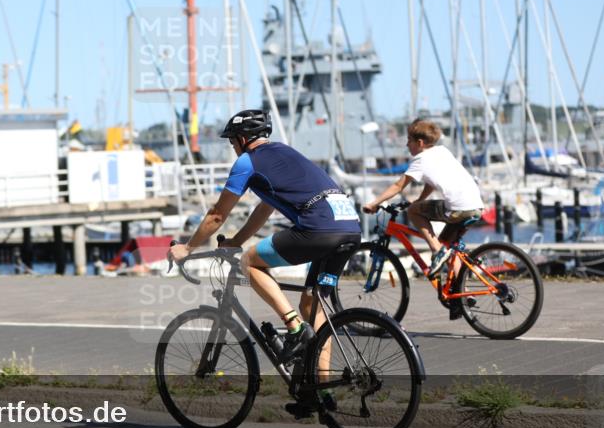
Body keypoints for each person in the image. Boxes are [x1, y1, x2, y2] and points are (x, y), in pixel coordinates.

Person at [169, 109, 361, 370]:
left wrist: (188, 248)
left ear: (243, 139)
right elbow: (265, 208)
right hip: (349, 227)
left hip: (319, 228)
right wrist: (236, 239)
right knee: (311, 304)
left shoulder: (248, 161)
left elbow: (216, 215)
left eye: (232, 141)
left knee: (249, 261)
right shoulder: (285, 152)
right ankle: (322, 389)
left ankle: (293, 329)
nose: (233, 147)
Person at [363, 119, 484, 279]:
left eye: (409, 141)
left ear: (419, 143)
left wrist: (373, 203)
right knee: (447, 246)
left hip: (458, 209)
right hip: (476, 207)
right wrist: (420, 200)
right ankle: (462, 292)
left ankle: (436, 250)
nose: (407, 145)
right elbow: (431, 182)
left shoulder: (420, 160)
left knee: (413, 211)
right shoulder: (442, 151)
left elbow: (398, 186)